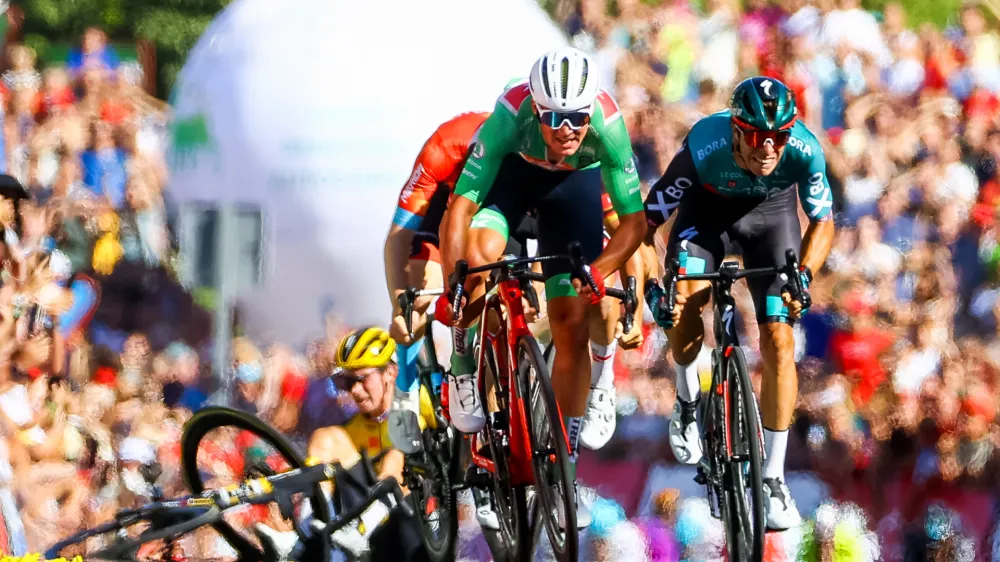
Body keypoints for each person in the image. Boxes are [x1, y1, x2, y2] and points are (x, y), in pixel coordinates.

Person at [437, 47, 646, 527]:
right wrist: (455, 280)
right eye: (555, 117)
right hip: (514, 180)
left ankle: (564, 464)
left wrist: (599, 270)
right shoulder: (509, 116)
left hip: (573, 192)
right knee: (482, 253)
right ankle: (464, 361)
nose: (567, 128)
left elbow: (634, 225)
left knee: (570, 324)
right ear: (536, 107)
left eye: (576, 117)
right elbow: (461, 208)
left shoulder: (608, 128)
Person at [384, 109, 647, 455]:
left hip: (519, 203)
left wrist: (636, 307)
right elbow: (399, 237)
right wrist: (399, 300)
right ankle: (408, 387)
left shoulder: (558, 156)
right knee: (421, 295)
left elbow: (631, 240)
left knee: (547, 296)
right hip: (456, 212)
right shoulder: (446, 145)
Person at [643, 76, 835, 530]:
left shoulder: (804, 151)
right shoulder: (703, 146)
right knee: (687, 300)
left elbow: (823, 222)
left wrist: (803, 274)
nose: (768, 148)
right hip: (707, 216)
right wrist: (655, 284)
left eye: (778, 137)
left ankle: (772, 477)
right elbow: (646, 223)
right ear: (735, 129)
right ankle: (688, 397)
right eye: (756, 136)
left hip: (772, 220)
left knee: (780, 341)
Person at [258, 326, 432, 562]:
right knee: (325, 439)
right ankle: (304, 536)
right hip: (365, 520)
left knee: (398, 450)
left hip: (413, 521)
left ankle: (358, 531)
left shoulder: (417, 399)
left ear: (390, 373)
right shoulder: (350, 429)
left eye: (362, 379)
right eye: (348, 382)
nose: (355, 391)